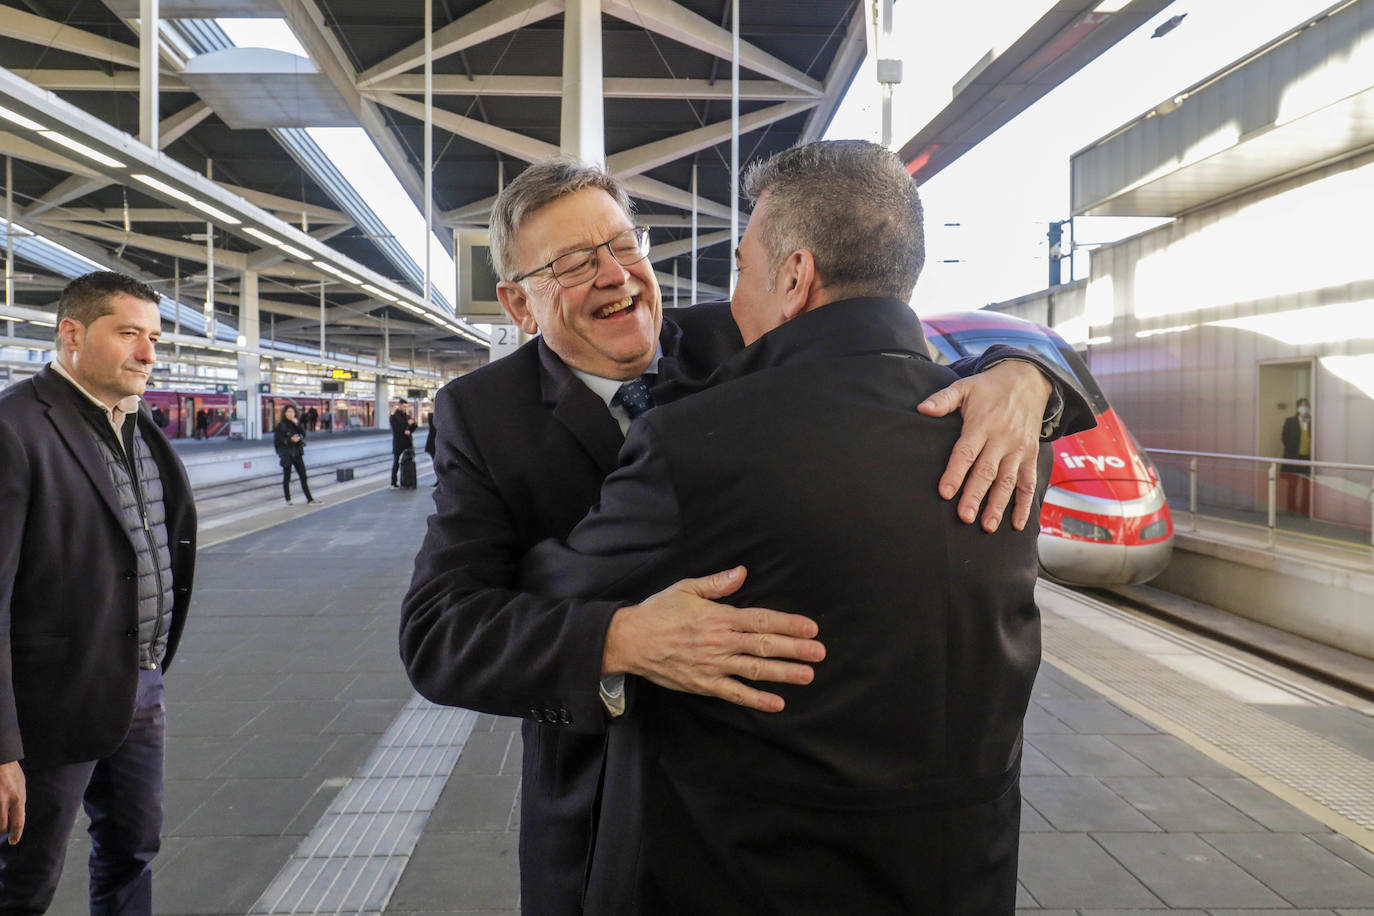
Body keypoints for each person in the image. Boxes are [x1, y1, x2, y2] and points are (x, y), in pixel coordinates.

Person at [400, 157, 1092, 915]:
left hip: (743, 825)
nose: (613, 275)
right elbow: (440, 631)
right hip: (591, 812)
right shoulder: (481, 415)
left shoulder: (742, 331)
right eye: (572, 263)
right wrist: (620, 638)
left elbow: (882, 341)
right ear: (519, 305)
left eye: (624, 245)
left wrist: (1028, 376)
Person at [0, 271, 197, 914]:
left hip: (138, 687)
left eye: (154, 338)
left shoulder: (139, 428)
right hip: (46, 708)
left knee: (133, 849)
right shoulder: (16, 429)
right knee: (25, 877)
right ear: (72, 333)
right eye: (130, 334)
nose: (148, 353)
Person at [273, 404, 321, 506]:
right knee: (287, 478)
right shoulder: (281, 425)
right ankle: (288, 500)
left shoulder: (296, 423)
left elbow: (304, 434)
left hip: (297, 454)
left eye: (292, 412)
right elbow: (278, 441)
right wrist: (290, 439)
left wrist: (298, 424)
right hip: (287, 455)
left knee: (303, 476)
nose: (291, 414)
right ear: (284, 413)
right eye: (288, 412)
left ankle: (310, 499)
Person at [1281, 396, 1312, 515]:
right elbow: (1284, 438)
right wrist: (1291, 451)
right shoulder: (1290, 421)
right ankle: (1291, 509)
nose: (1304, 408)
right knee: (1292, 485)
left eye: (1306, 405)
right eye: (1302, 405)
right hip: (1293, 458)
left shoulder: (1311, 422)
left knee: (1307, 486)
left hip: (1308, 458)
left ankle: (1305, 510)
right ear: (1298, 407)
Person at [389, 399, 415, 489]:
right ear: (399, 406)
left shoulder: (406, 416)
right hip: (399, 443)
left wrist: (413, 425)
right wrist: (407, 424)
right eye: (404, 407)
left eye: (406, 407)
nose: (405, 409)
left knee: (408, 461)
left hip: (407, 443)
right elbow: (399, 428)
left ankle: (407, 481)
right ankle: (393, 482)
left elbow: (409, 429)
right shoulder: (394, 417)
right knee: (396, 462)